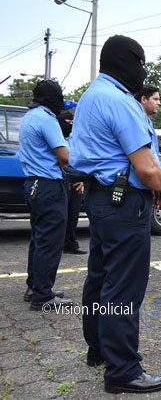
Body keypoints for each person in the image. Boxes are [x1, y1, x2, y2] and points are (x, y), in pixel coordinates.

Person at [71, 35, 161, 394]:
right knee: (123, 287)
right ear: (125, 60)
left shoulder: (91, 96)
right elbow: (146, 168)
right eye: (140, 63)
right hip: (124, 202)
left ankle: (99, 350)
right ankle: (123, 371)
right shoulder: (119, 100)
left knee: (100, 278)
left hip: (101, 200)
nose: (142, 71)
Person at [19, 80, 74, 309]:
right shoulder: (47, 119)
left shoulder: (29, 117)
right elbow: (64, 156)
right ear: (52, 98)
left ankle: (35, 287)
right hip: (49, 185)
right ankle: (43, 296)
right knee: (50, 241)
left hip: (33, 184)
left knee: (39, 239)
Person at [58, 107, 87, 255]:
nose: (71, 125)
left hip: (76, 180)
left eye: (72, 123)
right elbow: (61, 160)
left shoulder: (74, 139)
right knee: (61, 215)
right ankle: (60, 244)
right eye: (68, 122)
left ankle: (71, 243)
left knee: (73, 213)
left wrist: (80, 179)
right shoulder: (56, 139)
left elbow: (79, 159)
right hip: (62, 180)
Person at [135, 85, 161, 154]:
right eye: (155, 99)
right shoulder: (136, 121)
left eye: (159, 100)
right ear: (144, 99)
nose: (159, 103)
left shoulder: (148, 122)